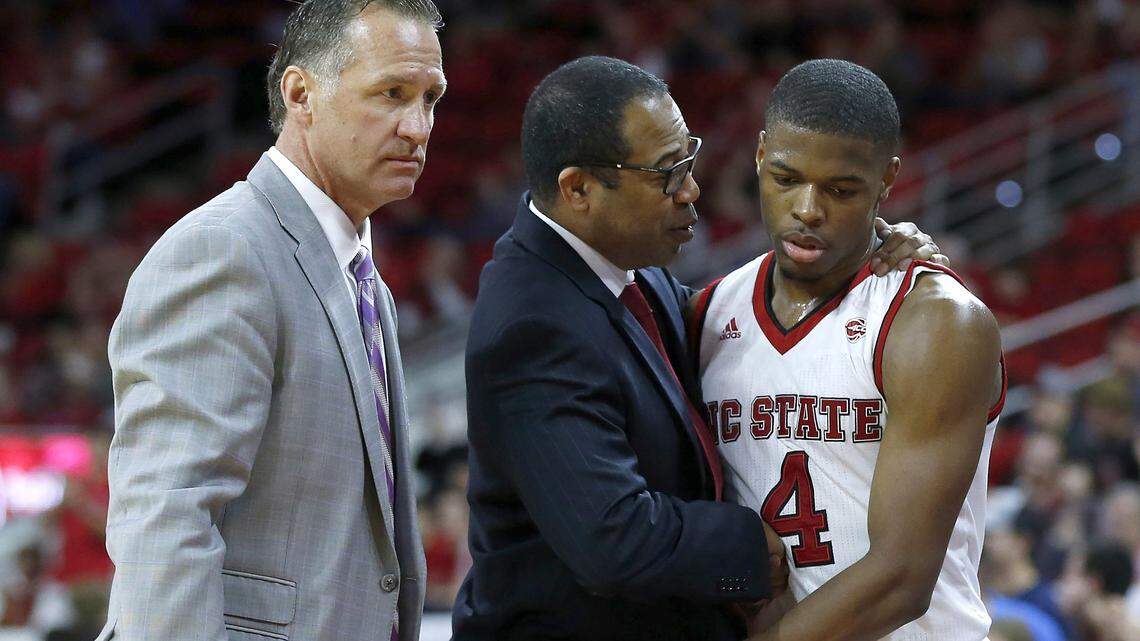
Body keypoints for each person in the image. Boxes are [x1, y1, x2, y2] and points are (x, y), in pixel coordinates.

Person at [454, 55, 943, 641]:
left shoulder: (628, 271)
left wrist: (870, 242)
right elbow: (612, 538)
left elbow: (737, 325)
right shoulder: (531, 322)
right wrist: (748, 547)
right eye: (666, 173)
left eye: (688, 157)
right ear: (578, 189)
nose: (691, 189)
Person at [98, 1, 445, 639]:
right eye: (391, 94)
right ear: (300, 93)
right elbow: (166, 515)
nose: (418, 127)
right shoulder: (225, 249)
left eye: (430, 99)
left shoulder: (362, 279)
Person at [696, 59, 1007, 641]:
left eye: (842, 190)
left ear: (887, 180)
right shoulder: (708, 314)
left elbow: (902, 578)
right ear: (760, 156)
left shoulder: (934, 321)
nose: (808, 209)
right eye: (787, 179)